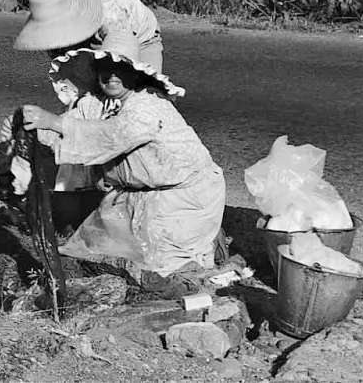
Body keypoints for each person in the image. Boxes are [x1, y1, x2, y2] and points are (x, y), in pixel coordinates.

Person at [18, 31, 226, 298]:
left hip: (183, 199)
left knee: (164, 271)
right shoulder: (102, 102)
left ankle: (204, 262)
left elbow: (113, 134)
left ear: (135, 74)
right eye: (105, 70)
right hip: (134, 197)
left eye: (120, 70)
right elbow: (73, 124)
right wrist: (31, 129)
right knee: (93, 252)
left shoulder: (148, 105)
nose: (111, 77)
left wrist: (54, 123)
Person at [13, 0, 164, 72]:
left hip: (141, 38)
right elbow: (61, 61)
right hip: (93, 30)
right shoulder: (56, 4)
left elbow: (119, 70)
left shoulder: (112, 15)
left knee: (146, 94)